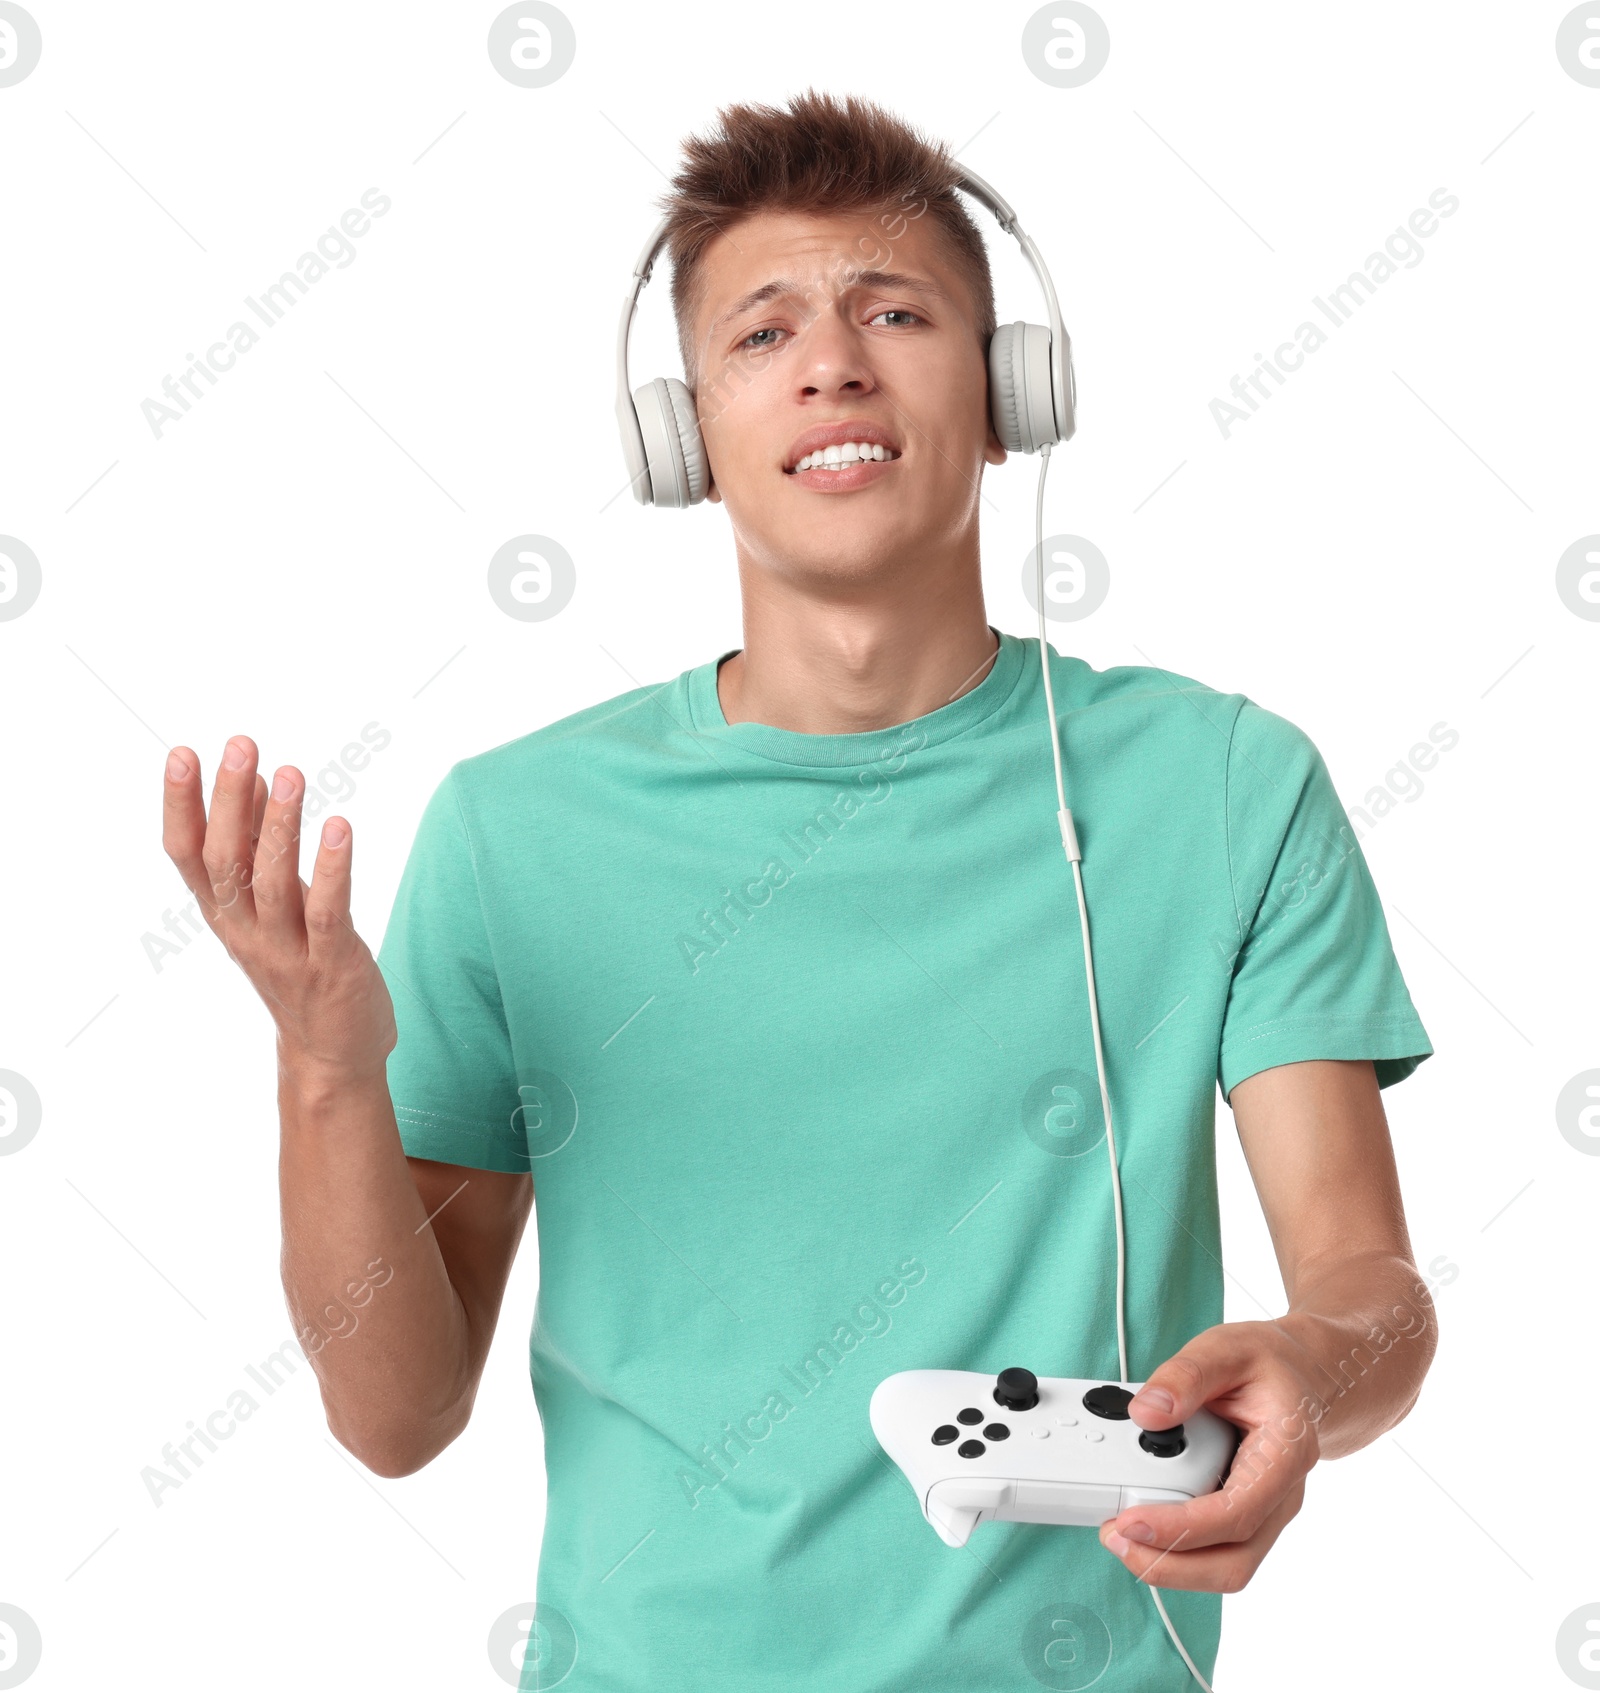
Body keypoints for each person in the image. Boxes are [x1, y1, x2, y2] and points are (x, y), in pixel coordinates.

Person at [160, 89, 1438, 1693]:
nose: (834, 359)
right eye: (762, 333)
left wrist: (1318, 1364)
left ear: (1010, 394)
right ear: (683, 435)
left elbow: (1371, 1289)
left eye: (894, 311)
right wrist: (328, 1077)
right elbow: (395, 1417)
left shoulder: (1231, 789)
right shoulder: (513, 833)